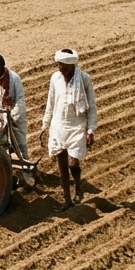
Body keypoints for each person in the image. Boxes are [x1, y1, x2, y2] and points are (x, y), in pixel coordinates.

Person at [40, 48, 96, 210]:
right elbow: (51, 103)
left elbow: (91, 106)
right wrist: (45, 124)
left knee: (73, 164)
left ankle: (78, 185)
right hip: (59, 125)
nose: (61, 69)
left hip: (77, 126)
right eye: (59, 65)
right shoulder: (55, 78)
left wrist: (90, 130)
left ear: (72, 66)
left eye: (64, 67)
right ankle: (67, 200)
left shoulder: (84, 79)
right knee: (62, 166)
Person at [0, 53, 28, 163]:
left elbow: (20, 98)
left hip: (14, 114)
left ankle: (26, 167)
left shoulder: (14, 78)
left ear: (1, 68)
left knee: (20, 143)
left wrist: (13, 115)